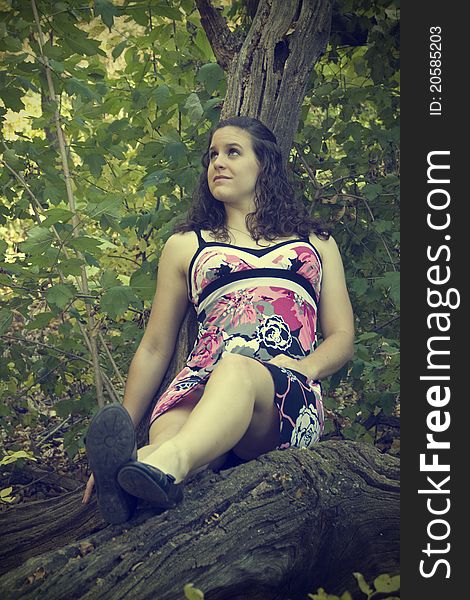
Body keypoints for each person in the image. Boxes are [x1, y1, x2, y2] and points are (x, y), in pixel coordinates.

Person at [82, 116, 354, 524]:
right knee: (175, 437)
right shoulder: (185, 245)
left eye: (232, 152)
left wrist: (305, 367)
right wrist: (127, 422)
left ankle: (160, 466)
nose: (217, 164)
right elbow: (156, 347)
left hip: (281, 390)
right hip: (196, 384)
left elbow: (342, 336)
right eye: (212, 155)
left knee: (236, 371)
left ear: (265, 165)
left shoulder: (315, 244)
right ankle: (131, 470)